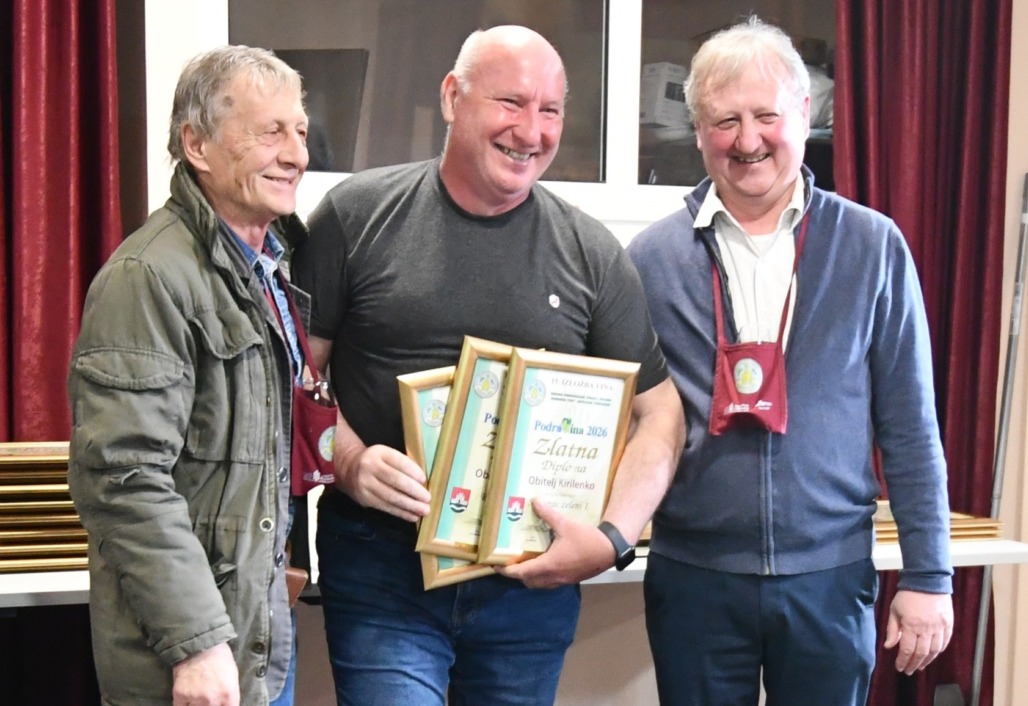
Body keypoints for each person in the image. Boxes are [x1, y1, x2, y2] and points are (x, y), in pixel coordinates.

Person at [292, 24, 685, 706]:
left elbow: (661, 414)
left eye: (550, 110)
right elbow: (294, 375)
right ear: (453, 96)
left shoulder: (591, 253)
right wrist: (348, 460)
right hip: (383, 568)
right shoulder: (356, 216)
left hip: (530, 582)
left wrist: (610, 539)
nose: (531, 131)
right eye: (511, 102)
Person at [627, 17, 954, 706]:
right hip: (693, 579)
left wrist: (929, 576)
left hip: (829, 579)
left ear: (804, 114)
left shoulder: (871, 246)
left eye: (765, 116)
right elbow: (621, 417)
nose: (747, 140)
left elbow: (909, 425)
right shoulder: (650, 260)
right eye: (725, 121)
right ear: (698, 132)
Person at [67, 45, 310, 706]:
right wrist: (198, 644)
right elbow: (124, 480)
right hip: (185, 659)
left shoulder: (272, 267)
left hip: (258, 639)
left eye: (300, 131)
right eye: (270, 133)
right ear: (196, 145)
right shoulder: (147, 277)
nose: (296, 154)